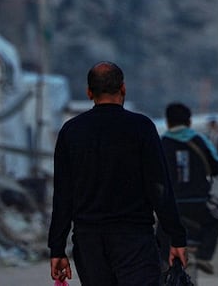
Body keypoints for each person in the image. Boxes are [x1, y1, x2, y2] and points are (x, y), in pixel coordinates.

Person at [48, 61, 187, 285]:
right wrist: (177, 237)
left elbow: (63, 195)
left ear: (89, 92)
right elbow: (159, 187)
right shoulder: (141, 127)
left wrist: (57, 248)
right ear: (123, 89)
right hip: (134, 237)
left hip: (89, 241)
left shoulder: (71, 132)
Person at [160, 102, 218, 275]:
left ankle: (162, 265)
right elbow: (216, 167)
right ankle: (204, 255)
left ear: (168, 122)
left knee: (160, 238)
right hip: (200, 205)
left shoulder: (161, 143)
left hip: (171, 207)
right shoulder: (200, 140)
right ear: (189, 122)